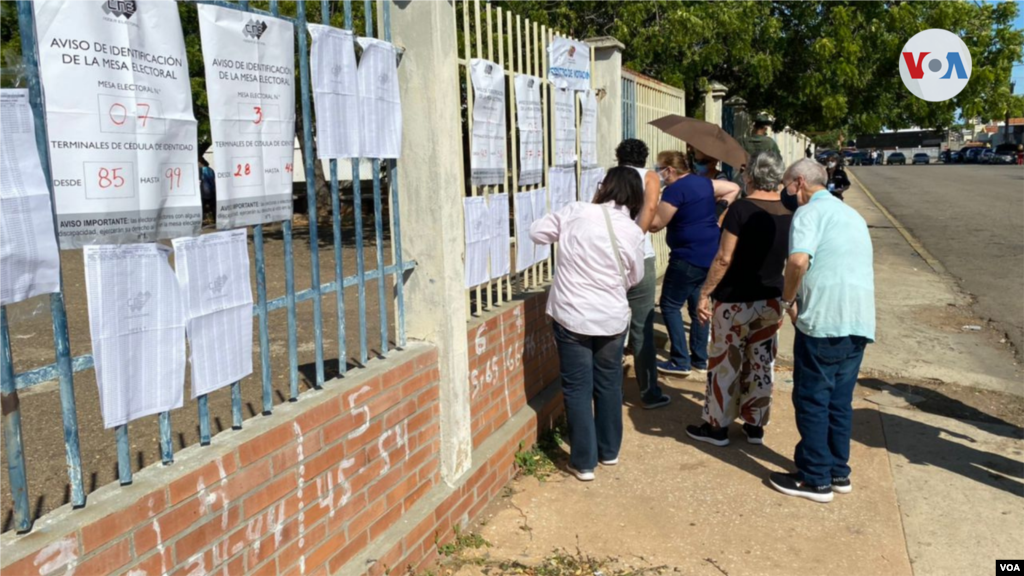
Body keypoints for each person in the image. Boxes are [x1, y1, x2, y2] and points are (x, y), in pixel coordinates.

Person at [768, 158, 875, 503]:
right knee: (839, 402)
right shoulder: (850, 214)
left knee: (812, 399)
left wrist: (787, 300)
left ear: (799, 182)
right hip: (858, 320)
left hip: (824, 321)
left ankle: (815, 478)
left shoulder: (809, 213)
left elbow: (798, 261)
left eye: (786, 184)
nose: (785, 192)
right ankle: (837, 471)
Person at [531, 167, 646, 482]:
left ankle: (583, 463)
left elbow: (536, 233)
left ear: (603, 186)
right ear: (636, 196)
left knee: (577, 387)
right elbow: (635, 277)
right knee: (609, 383)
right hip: (611, 316)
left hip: (572, 314)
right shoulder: (633, 230)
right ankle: (609, 451)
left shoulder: (575, 212)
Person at [683, 151, 792, 447]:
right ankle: (755, 425)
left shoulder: (741, 209)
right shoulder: (788, 210)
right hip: (771, 299)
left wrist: (705, 293)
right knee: (760, 362)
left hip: (735, 300)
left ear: (751, 176)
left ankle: (717, 427)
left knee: (725, 363)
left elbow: (723, 258)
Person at [649, 151, 740, 377]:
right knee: (699, 305)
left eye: (660, 168)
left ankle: (680, 360)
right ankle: (700, 359)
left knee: (669, 305)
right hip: (708, 253)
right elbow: (733, 189)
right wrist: (719, 209)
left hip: (687, 256)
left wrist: (648, 206)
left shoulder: (675, 190)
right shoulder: (704, 183)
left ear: (669, 170)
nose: (658, 172)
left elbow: (656, 225)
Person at [615, 139, 671, 410]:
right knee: (642, 326)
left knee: (611, 323)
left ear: (618, 157)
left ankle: (610, 389)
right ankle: (649, 391)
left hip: (609, 256)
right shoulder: (650, 176)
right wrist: (635, 238)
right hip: (640, 254)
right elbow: (650, 209)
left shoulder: (609, 177)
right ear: (645, 157)